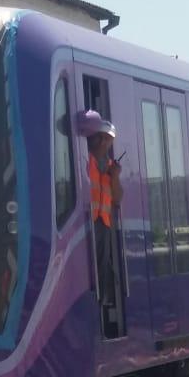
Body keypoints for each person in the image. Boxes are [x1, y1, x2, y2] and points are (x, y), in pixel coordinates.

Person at [78, 110, 123, 305]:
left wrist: (115, 176)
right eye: (103, 139)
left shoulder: (112, 166)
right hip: (85, 223)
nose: (105, 143)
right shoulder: (86, 161)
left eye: (107, 140)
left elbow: (118, 199)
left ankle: (102, 302)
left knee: (102, 266)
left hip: (102, 222)